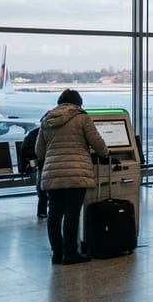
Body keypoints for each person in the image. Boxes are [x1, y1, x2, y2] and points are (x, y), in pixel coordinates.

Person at [35, 89, 109, 265]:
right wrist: (105, 153)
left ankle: (57, 254)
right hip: (76, 172)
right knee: (72, 214)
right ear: (78, 103)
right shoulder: (82, 117)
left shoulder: (46, 119)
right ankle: (70, 253)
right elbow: (98, 143)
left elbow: (39, 151)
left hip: (52, 173)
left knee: (54, 214)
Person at [18, 126, 45, 218]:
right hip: (49, 162)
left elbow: (25, 149)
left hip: (43, 163)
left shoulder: (36, 132)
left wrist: (23, 167)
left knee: (42, 187)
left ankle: (42, 210)